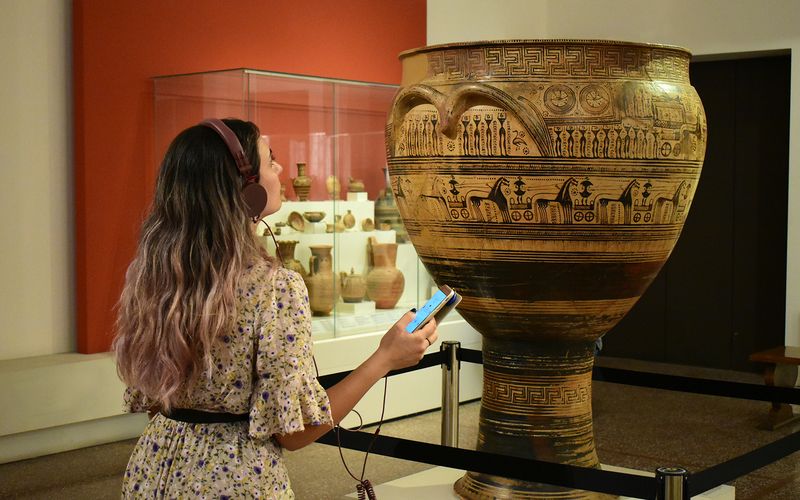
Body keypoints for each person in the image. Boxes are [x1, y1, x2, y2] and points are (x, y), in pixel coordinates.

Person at [112, 118, 438, 498]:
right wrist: (384, 358)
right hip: (233, 480)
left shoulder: (153, 273)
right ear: (247, 189)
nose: (281, 169)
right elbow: (295, 434)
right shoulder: (276, 288)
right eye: (271, 160)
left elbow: (157, 402)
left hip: (154, 468)